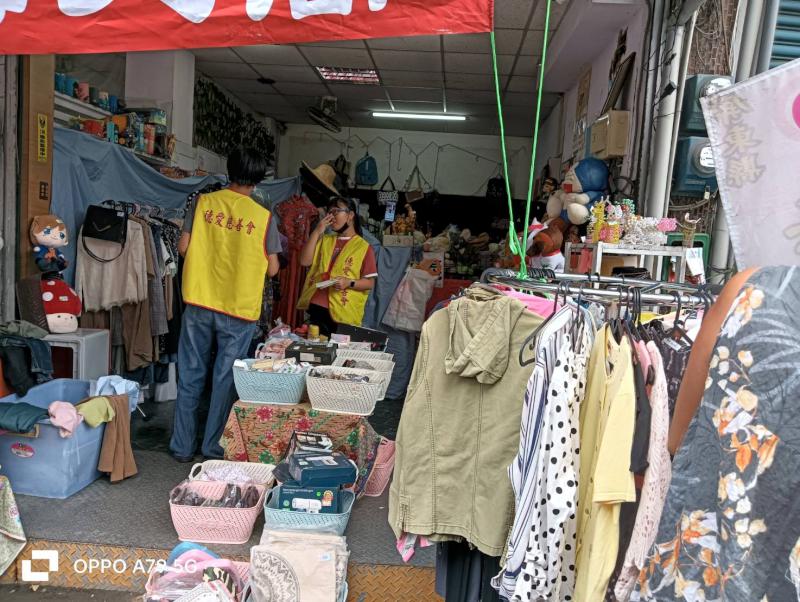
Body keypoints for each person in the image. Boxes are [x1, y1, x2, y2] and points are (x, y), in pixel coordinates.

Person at [170, 147, 281, 462]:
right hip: (238, 308)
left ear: (229, 171)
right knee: (224, 379)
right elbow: (273, 269)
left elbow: (183, 247)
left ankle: (182, 446)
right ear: (257, 180)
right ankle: (212, 447)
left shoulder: (203, 203)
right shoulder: (263, 217)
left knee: (190, 374)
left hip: (200, 299)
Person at [297, 196, 377, 337]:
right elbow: (304, 261)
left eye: (336, 211)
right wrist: (317, 231)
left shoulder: (363, 247)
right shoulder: (324, 239)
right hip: (317, 306)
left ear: (350, 215)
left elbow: (369, 283)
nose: (332, 216)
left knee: (338, 350)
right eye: (329, 212)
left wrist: (349, 282)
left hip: (344, 313)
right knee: (315, 348)